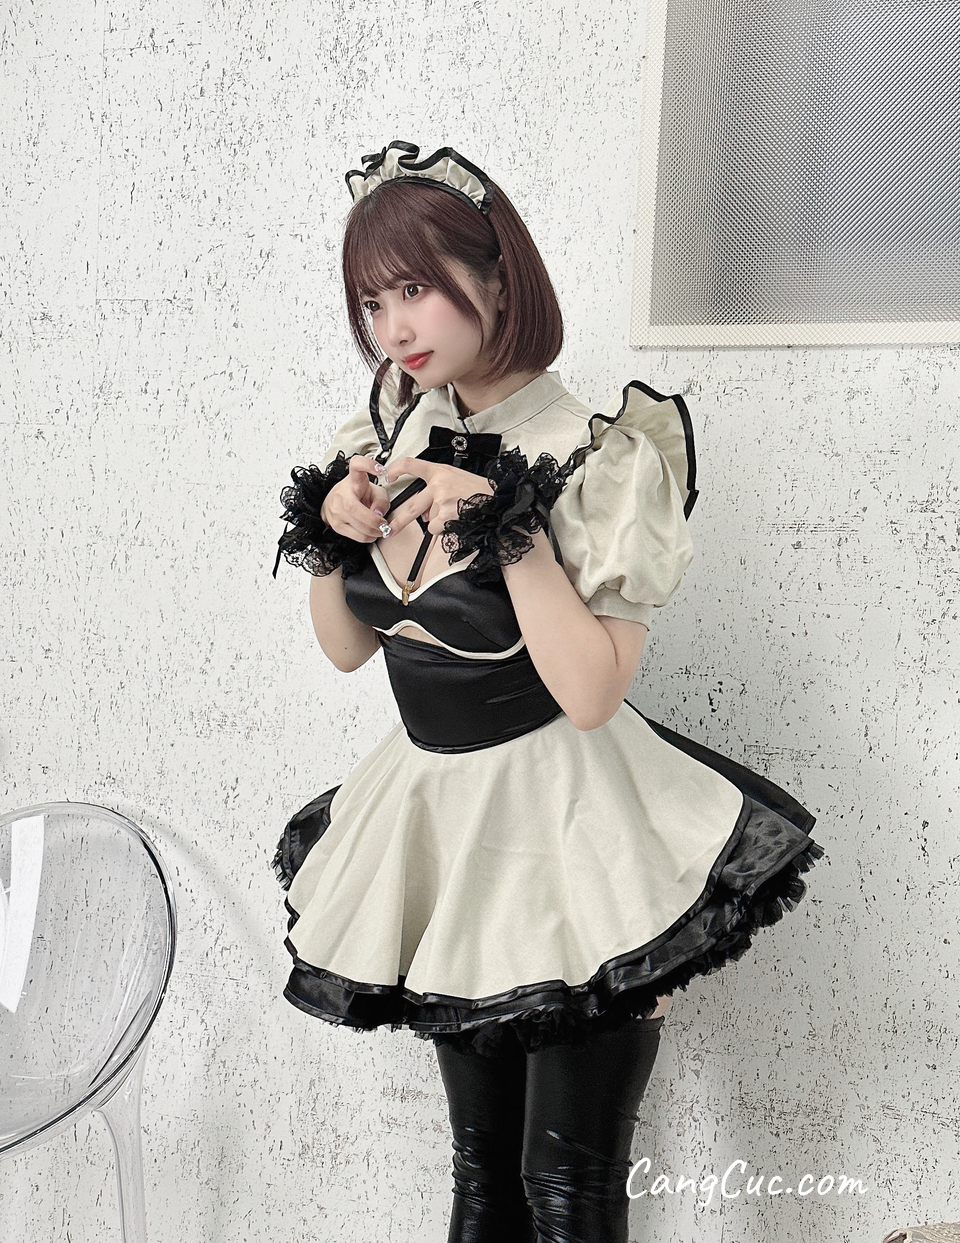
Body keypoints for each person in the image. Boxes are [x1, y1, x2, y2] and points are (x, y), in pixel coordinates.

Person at [272, 140, 825, 1243]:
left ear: (497, 274)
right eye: (372, 301)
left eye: (415, 287)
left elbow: (591, 692)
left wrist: (506, 528)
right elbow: (347, 650)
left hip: (576, 830)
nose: (393, 326)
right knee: (480, 1182)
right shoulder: (387, 433)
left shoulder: (599, 452)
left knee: (564, 1191)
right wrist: (334, 530)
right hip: (442, 826)